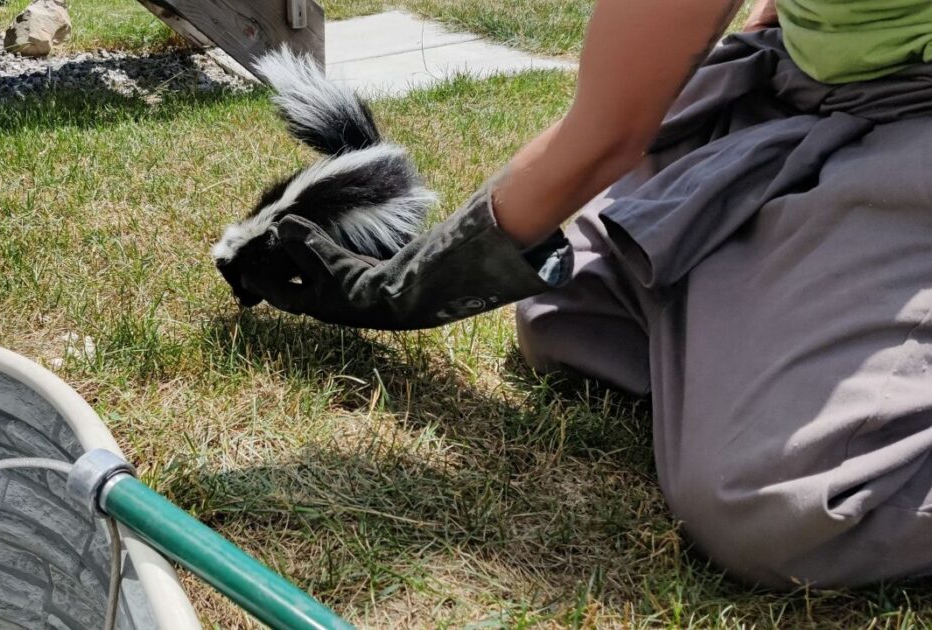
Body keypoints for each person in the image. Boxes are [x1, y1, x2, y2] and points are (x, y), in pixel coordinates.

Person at [237, 0, 932, 589]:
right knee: (567, 317)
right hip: (800, 85)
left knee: (782, 506)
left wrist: (400, 290)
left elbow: (604, 137)